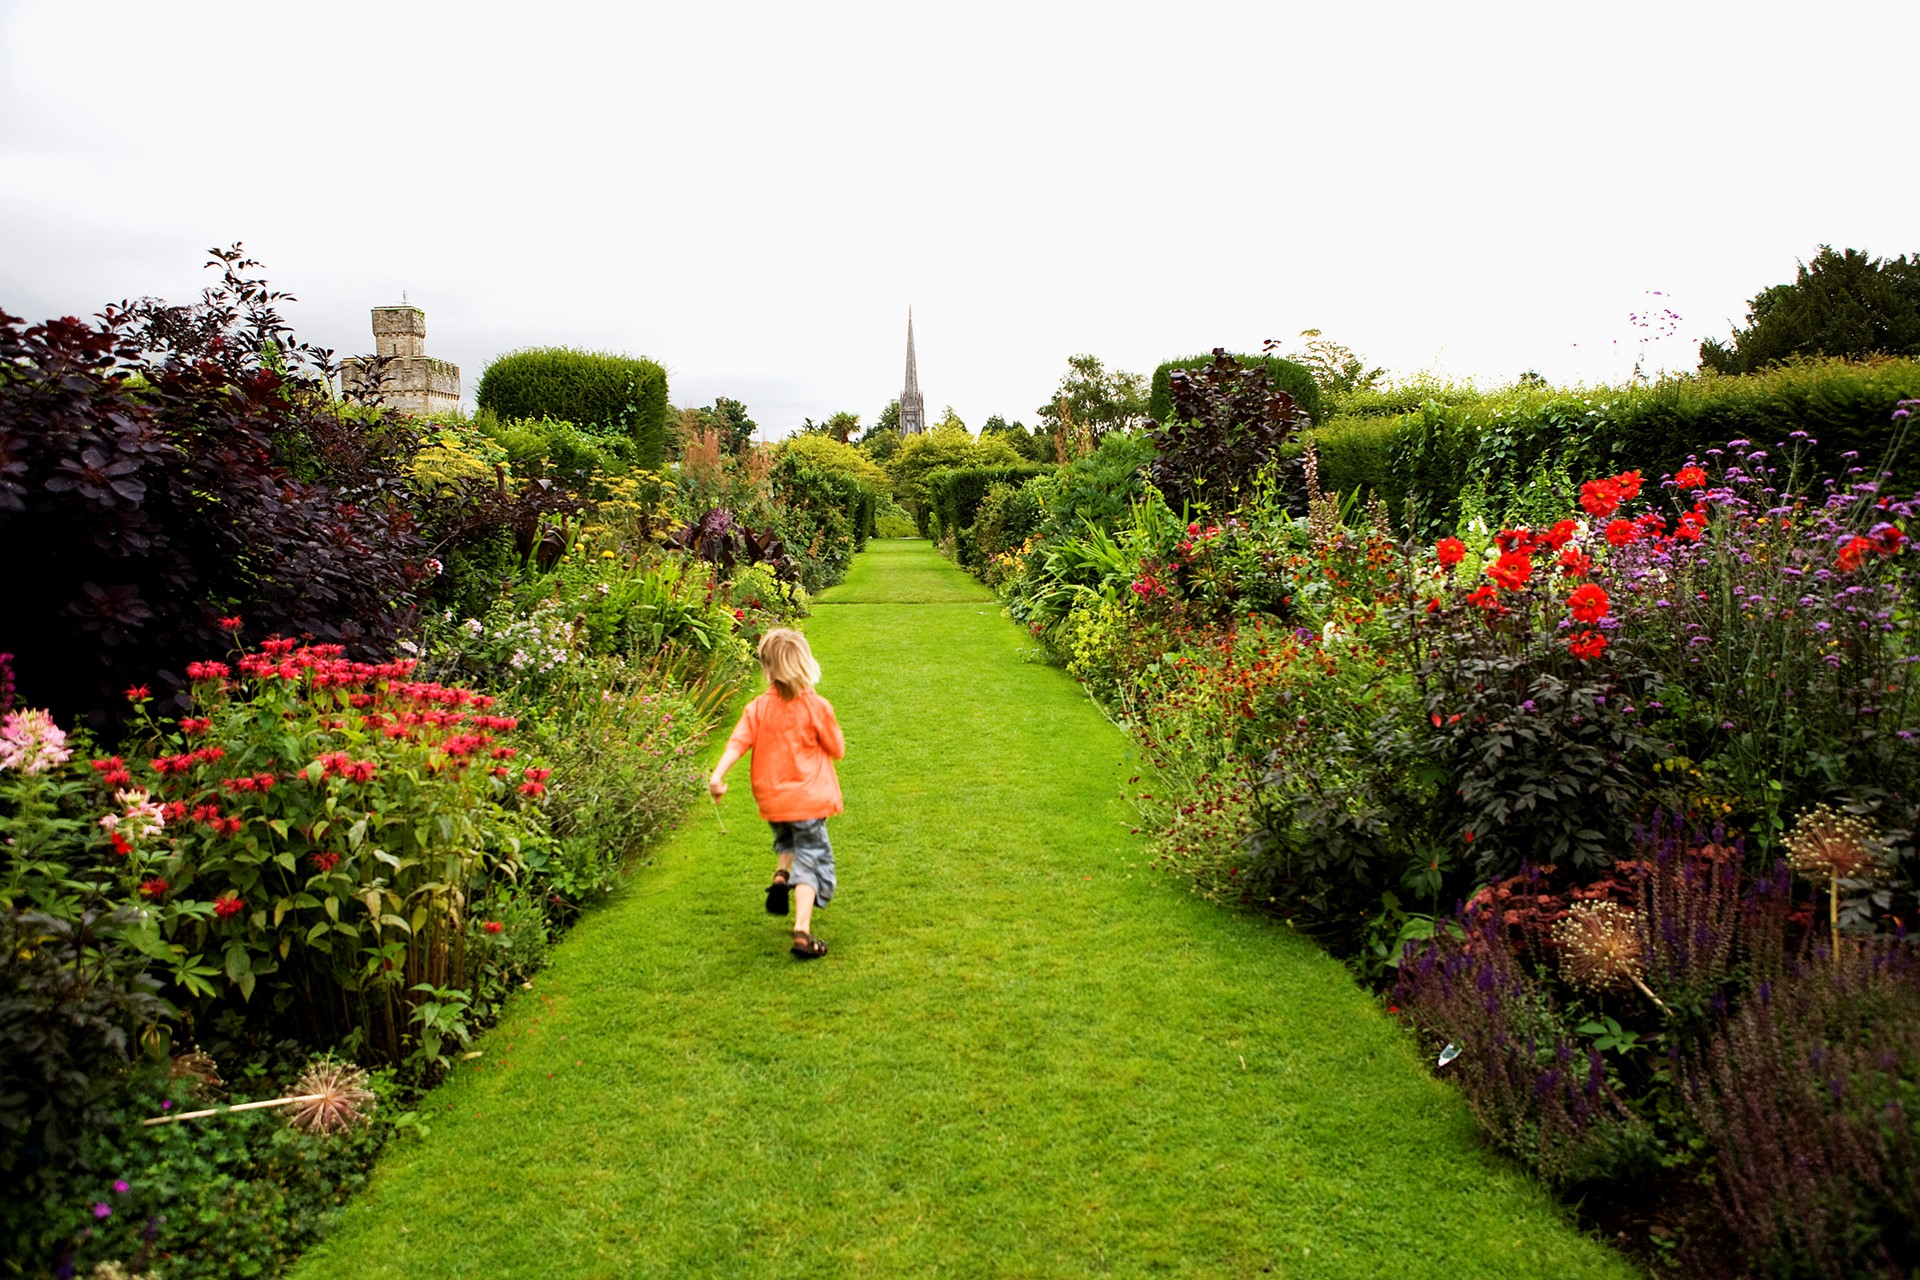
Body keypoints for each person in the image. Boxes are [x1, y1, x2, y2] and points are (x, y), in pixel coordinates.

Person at [708, 628, 845, 959]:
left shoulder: (757, 709)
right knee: (812, 859)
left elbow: (738, 742)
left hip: (772, 800)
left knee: (787, 840)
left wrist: (717, 776)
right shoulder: (816, 707)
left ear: (767, 668)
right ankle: (802, 932)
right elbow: (837, 748)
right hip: (808, 799)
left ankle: (782, 875)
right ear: (803, 662)